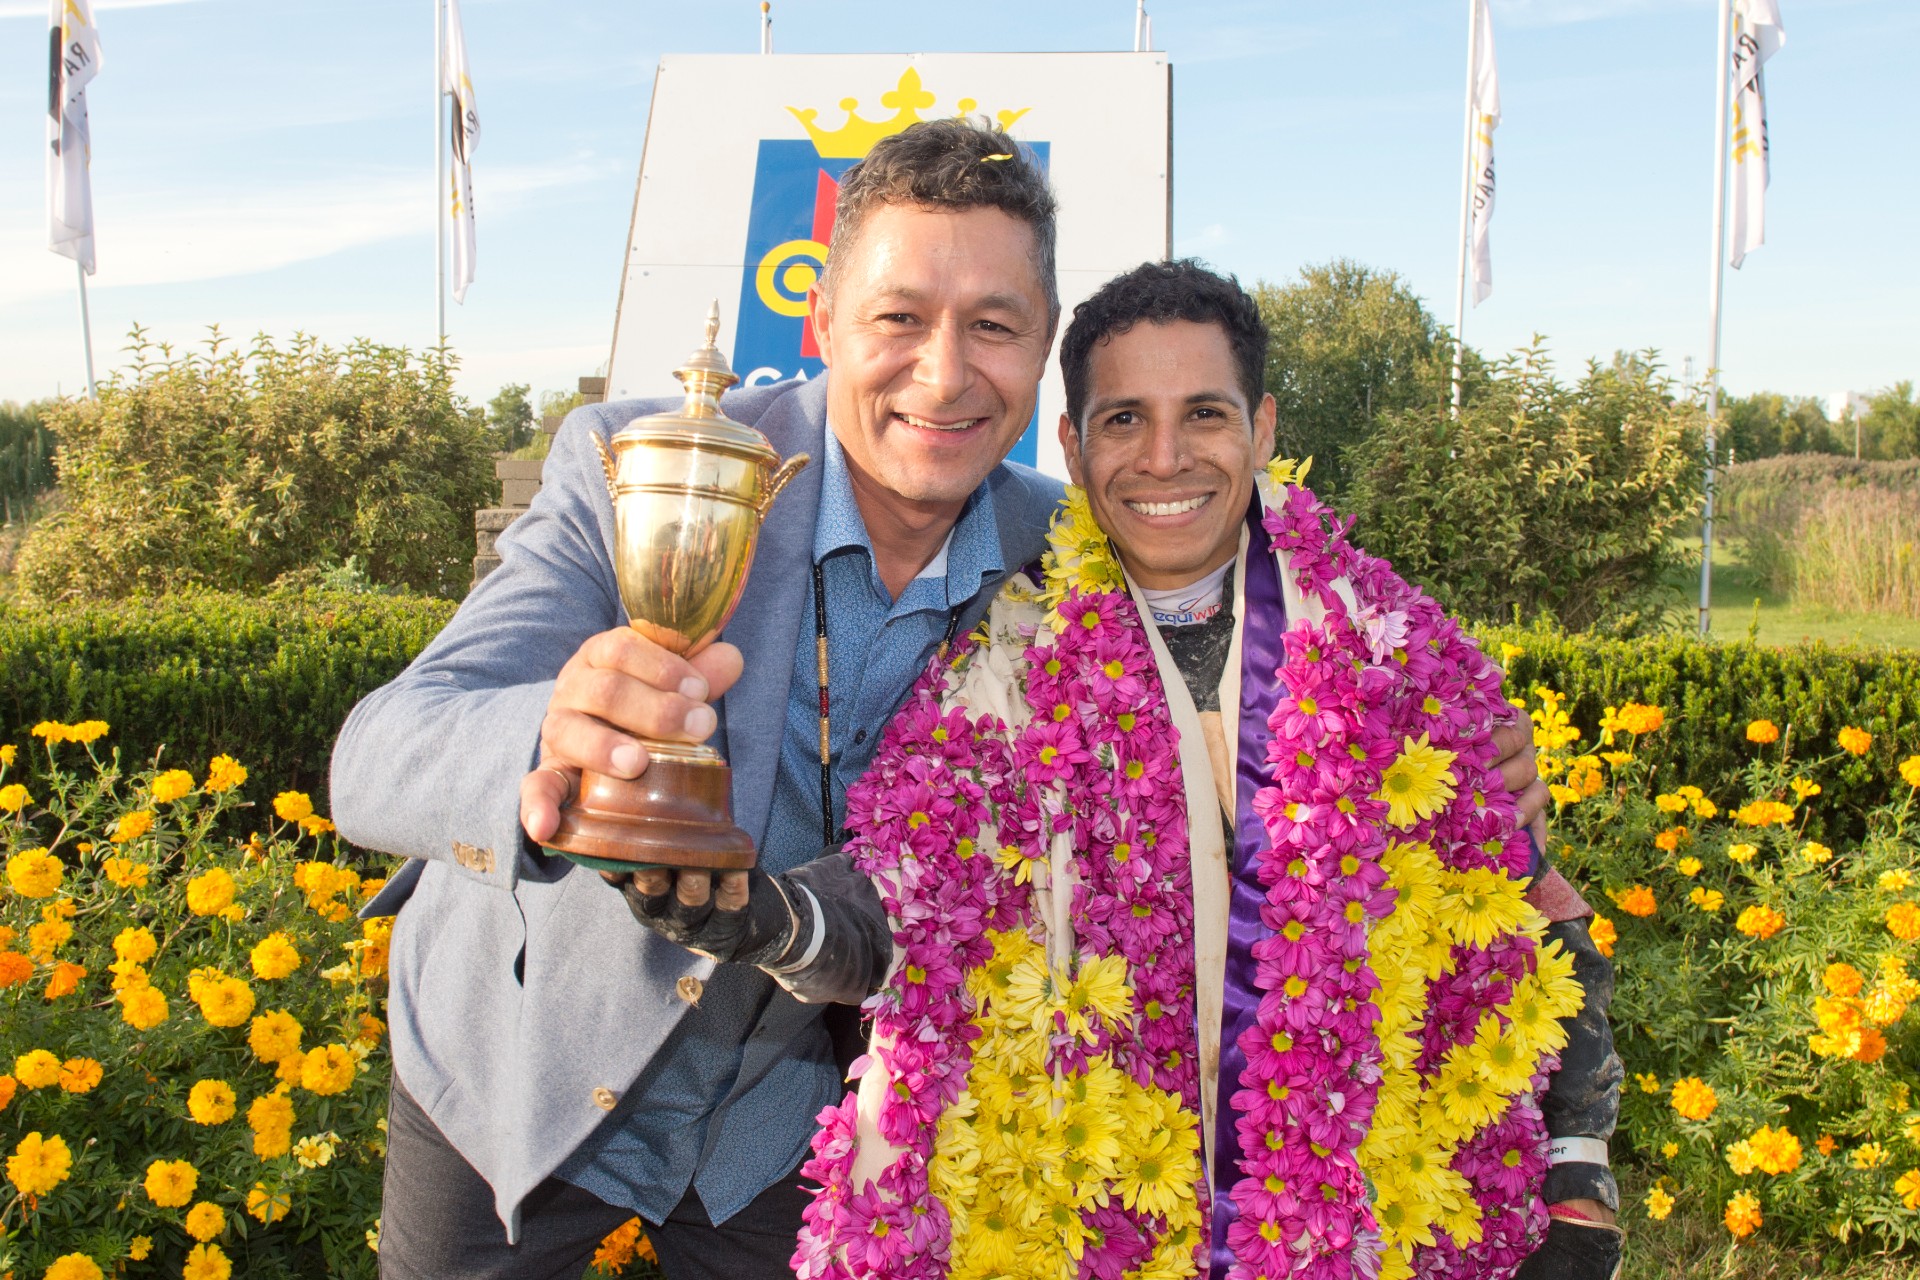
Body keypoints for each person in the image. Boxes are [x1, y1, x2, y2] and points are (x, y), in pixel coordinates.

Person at [332, 118, 1547, 1278]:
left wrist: (1448, 756)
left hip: (787, 1129)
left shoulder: (1077, 551)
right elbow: (379, 756)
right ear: (821, 318)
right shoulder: (645, 467)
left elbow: (1238, 685)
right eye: (899, 317)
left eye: (996, 325)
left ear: (1045, 344)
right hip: (523, 1071)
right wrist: (556, 734)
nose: (946, 372)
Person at [658, 262, 1620, 1279]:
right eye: (1123, 420)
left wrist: (1578, 1177)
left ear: (1260, 425)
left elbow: (1536, 923)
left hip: (1363, 1219)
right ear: (1072, 444)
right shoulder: (1000, 658)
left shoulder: (1391, 652)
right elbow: (911, 896)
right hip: (1083, 1216)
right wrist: (772, 918)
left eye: (1203, 413)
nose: (1164, 459)